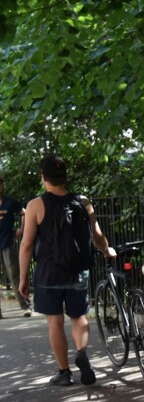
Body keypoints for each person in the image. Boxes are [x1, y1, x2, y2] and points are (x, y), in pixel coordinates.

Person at [19, 156, 115, 387]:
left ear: (44, 177)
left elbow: (27, 244)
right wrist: (106, 249)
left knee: (55, 321)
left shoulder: (35, 205)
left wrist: (22, 278)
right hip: (77, 270)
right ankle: (81, 351)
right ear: (65, 177)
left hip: (49, 272)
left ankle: (64, 372)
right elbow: (96, 235)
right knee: (79, 316)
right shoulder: (83, 201)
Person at [0, 176, 33, 316]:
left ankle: (25, 305)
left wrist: (21, 229)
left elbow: (25, 213)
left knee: (14, 275)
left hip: (7, 242)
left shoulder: (10, 202)